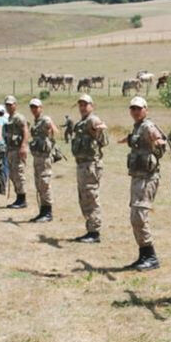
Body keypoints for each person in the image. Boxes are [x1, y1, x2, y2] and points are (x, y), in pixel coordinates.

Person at [121, 95, 167, 270]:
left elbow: (158, 138)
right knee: (135, 215)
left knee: (139, 215)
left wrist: (158, 141)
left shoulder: (147, 126)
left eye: (139, 108)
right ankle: (144, 254)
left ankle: (151, 257)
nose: (135, 111)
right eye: (132, 108)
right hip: (138, 177)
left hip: (148, 178)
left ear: (146, 110)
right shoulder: (138, 127)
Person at [70, 93, 110, 242]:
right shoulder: (81, 123)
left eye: (85, 104)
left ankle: (95, 232)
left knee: (91, 197)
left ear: (91, 106)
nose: (82, 107)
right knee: (84, 197)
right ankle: (90, 229)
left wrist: (98, 130)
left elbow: (101, 134)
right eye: (80, 104)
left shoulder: (92, 119)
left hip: (91, 165)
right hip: (82, 164)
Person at [27, 98, 58, 222]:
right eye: (32, 107)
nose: (34, 109)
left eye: (36, 107)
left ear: (41, 108)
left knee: (44, 183)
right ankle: (42, 211)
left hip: (44, 158)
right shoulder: (36, 122)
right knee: (39, 184)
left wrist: (50, 136)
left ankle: (48, 212)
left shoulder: (46, 120)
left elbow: (55, 132)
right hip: (37, 157)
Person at [3, 96, 30, 210]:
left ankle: (22, 199)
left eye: (11, 104)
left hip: (18, 149)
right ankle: (18, 196)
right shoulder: (9, 118)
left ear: (15, 105)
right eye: (7, 105)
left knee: (19, 173)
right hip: (10, 149)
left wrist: (23, 145)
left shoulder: (19, 117)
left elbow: (25, 131)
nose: (9, 107)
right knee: (13, 174)